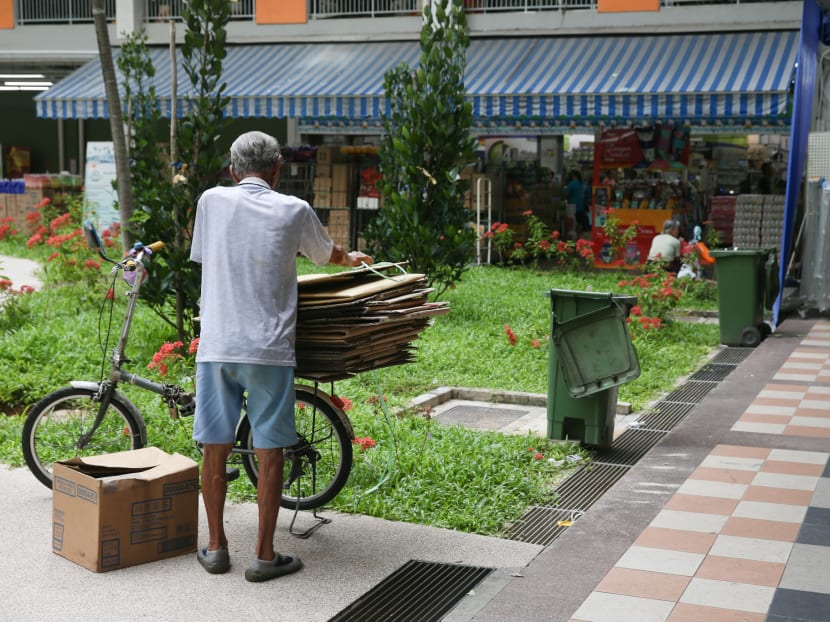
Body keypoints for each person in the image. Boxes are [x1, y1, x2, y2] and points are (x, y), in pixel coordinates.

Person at [189, 131, 372, 582]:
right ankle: (264, 555)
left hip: (216, 346)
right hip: (268, 350)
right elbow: (326, 255)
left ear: (233, 170)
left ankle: (217, 548)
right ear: (277, 169)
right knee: (270, 452)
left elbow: (208, 257)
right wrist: (351, 258)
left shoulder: (210, 201)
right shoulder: (294, 209)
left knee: (214, 448)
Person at [565, 170, 590, 236]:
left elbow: (566, 194)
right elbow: (587, 194)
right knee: (580, 222)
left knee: (572, 222)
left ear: (574, 176)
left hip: (572, 206)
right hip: (581, 206)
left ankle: (573, 236)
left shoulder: (571, 184)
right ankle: (579, 235)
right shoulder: (583, 184)